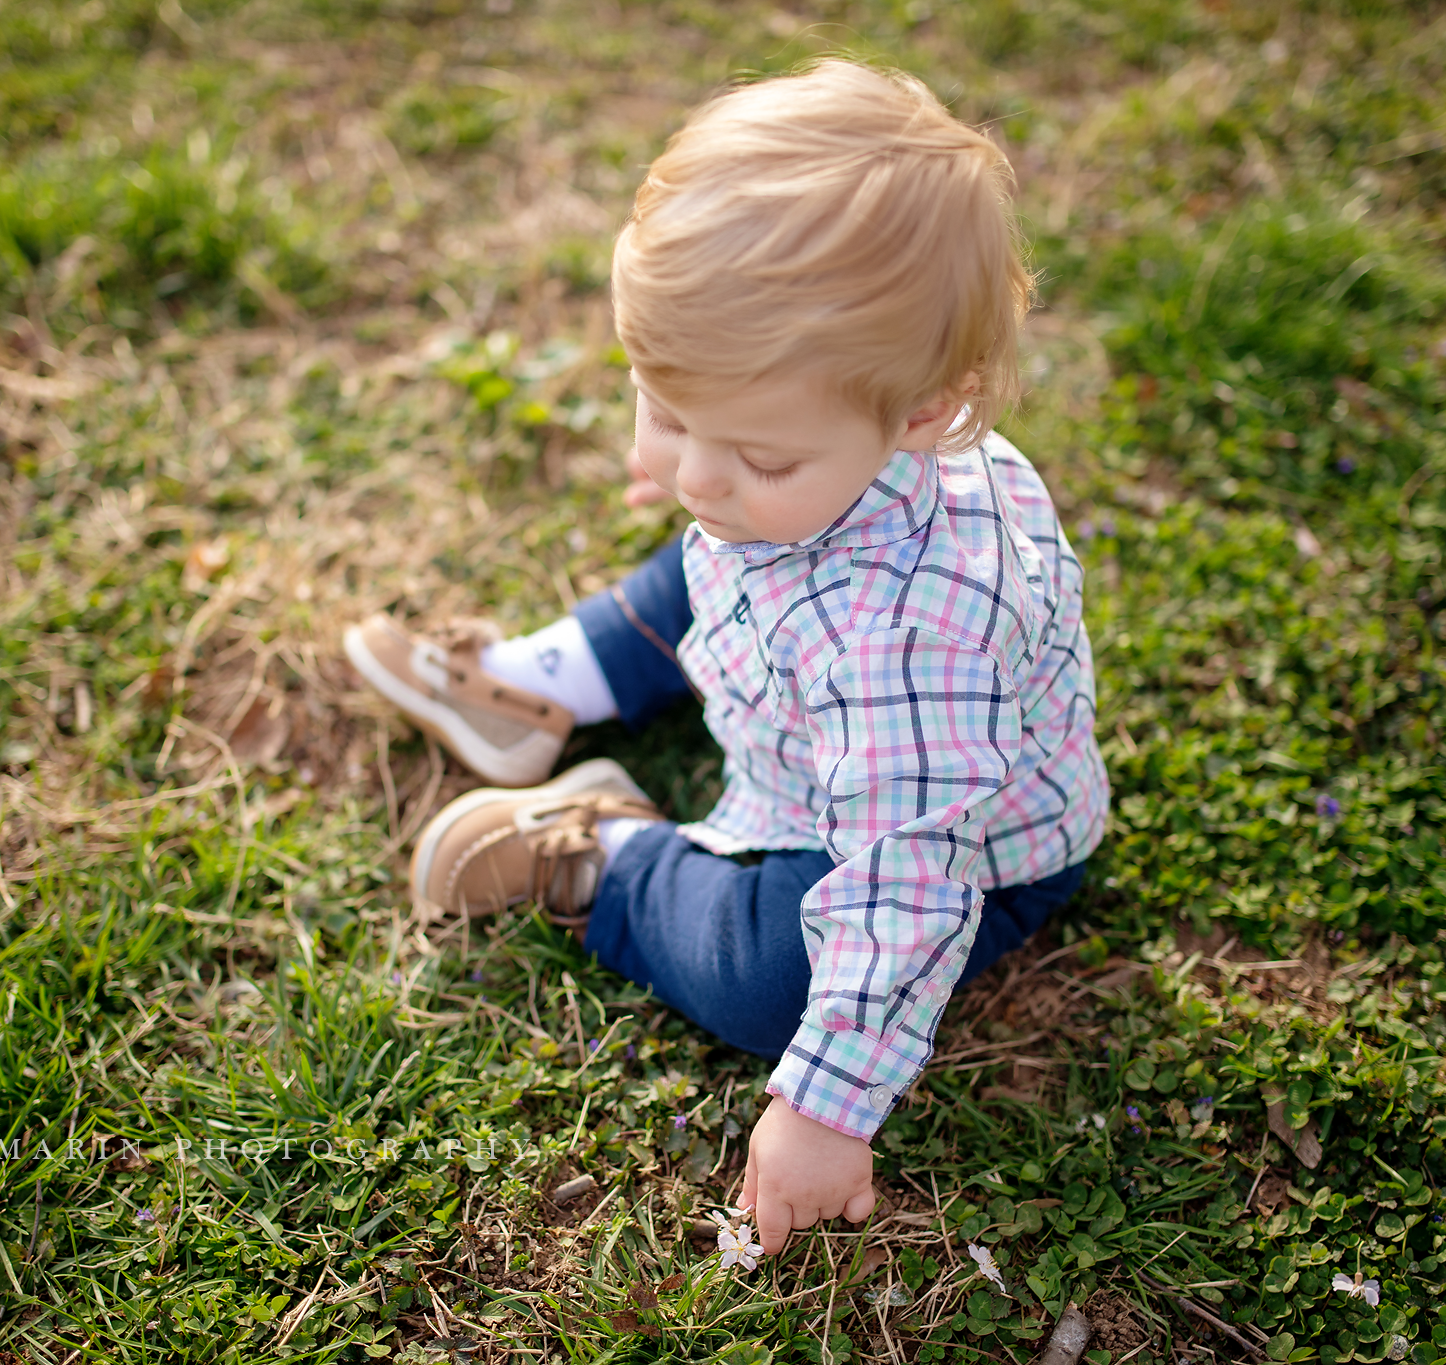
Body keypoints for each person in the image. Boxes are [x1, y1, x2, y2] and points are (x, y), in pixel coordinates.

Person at [343, 59, 1107, 1262]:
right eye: (665, 408)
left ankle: (606, 858)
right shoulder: (813, 468)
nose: (695, 473)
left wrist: (823, 1111)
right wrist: (724, 453)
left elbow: (905, 896)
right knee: (702, 554)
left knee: (771, 984)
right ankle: (538, 683)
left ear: (920, 415)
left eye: (750, 447)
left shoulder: (912, 638)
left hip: (939, 852)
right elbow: (730, 495)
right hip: (803, 686)